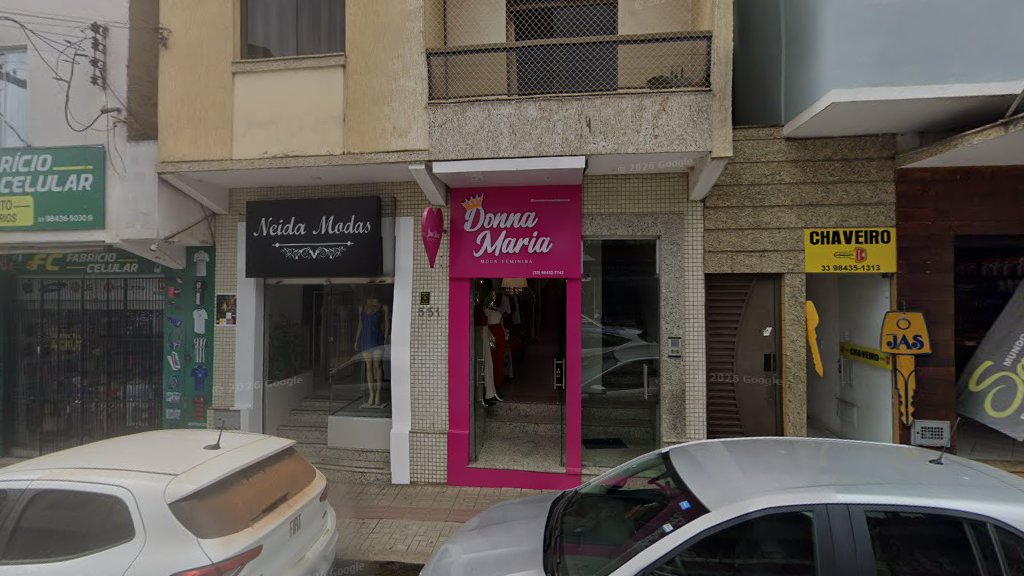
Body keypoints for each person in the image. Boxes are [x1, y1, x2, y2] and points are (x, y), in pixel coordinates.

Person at [354, 297, 390, 407]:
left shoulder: (383, 307)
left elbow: (387, 324)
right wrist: (357, 340)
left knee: (377, 366)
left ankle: (378, 394)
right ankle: (371, 394)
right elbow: (360, 324)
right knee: (368, 366)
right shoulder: (362, 307)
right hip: (366, 339)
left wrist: (385, 339)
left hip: (377, 338)